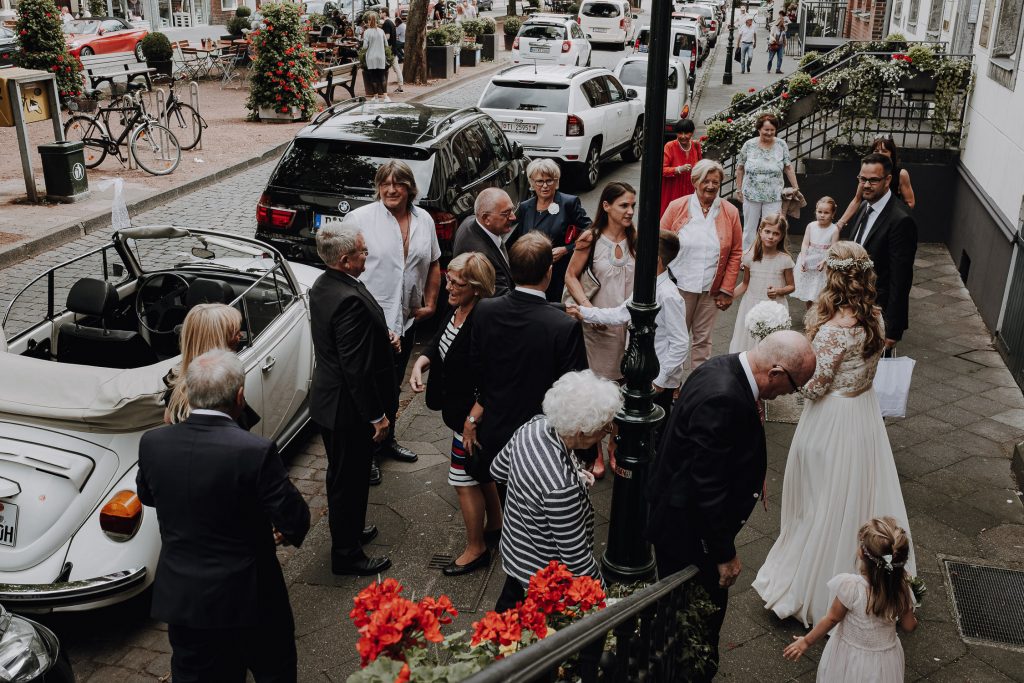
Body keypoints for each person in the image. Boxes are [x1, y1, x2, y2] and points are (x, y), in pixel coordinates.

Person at [752, 241, 917, 626]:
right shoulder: (875, 319)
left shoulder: (831, 331)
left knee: (819, 501)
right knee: (857, 494)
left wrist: (786, 374)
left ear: (834, 277)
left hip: (830, 422)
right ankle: (871, 582)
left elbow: (814, 387)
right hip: (863, 415)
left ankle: (812, 588)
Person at [646, 330, 817, 682]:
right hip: (688, 535)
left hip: (679, 517)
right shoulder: (724, 396)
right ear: (776, 373)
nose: (789, 394)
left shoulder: (719, 367)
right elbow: (705, 485)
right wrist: (724, 553)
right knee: (698, 615)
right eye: (795, 386)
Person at [137, 349, 310, 683]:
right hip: (251, 598)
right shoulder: (254, 452)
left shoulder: (154, 443)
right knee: (274, 670)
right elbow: (295, 520)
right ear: (240, 397)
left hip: (186, 601)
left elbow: (147, 494)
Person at [491, 370, 622, 611]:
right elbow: (577, 560)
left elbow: (498, 470)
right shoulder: (562, 488)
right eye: (605, 428)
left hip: (513, 554)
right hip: (542, 579)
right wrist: (605, 600)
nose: (607, 433)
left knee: (505, 617)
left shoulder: (532, 427)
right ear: (583, 432)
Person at [309, 223, 397, 576]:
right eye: (362, 252)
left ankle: (351, 529)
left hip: (332, 402)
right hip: (348, 410)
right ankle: (346, 554)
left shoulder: (324, 285)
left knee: (348, 476)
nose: (367, 255)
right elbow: (355, 369)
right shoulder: (348, 301)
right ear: (345, 260)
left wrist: (381, 337)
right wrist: (375, 416)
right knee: (348, 481)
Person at [409, 252, 503, 576]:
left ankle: (476, 548)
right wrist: (422, 362)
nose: (448, 286)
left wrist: (472, 420)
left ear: (477, 287)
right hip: (459, 413)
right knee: (480, 471)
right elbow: (438, 343)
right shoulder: (456, 307)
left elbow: (495, 380)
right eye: (448, 278)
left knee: (462, 481)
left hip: (473, 418)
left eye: (457, 283)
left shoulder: (485, 322)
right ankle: (496, 523)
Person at [466, 232, 589, 479]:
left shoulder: (485, 310)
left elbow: (475, 367)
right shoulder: (563, 327)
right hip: (542, 440)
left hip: (494, 429)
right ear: (549, 272)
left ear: (512, 271)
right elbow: (573, 389)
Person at [344, 160, 439, 472]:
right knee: (368, 386)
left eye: (398, 183)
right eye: (385, 183)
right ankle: (367, 452)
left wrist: (431, 303)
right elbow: (344, 269)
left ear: (410, 188)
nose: (391, 189)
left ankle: (388, 440)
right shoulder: (360, 219)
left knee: (392, 384)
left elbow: (434, 262)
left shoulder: (424, 219)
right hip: (372, 322)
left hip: (406, 319)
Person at [567, 230, 689, 422]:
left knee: (656, 430)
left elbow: (680, 343)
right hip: (642, 371)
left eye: (638, 256)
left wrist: (660, 380)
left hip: (658, 378)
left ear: (654, 260)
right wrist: (583, 312)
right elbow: (620, 313)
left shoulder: (669, 295)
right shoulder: (645, 286)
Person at [783, 517, 918, 682]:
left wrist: (806, 642)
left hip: (849, 657)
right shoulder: (902, 590)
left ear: (861, 553)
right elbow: (909, 626)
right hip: (884, 661)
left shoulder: (852, 587)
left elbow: (832, 618)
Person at [564, 181, 637, 478]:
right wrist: (587, 309)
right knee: (596, 391)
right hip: (597, 328)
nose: (630, 211)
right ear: (606, 206)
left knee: (623, 390)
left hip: (628, 328)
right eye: (624, 205)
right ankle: (592, 449)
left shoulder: (637, 239)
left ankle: (614, 446)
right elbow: (571, 275)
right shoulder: (591, 239)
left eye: (632, 205)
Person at [661, 159, 744, 368]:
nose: (710, 186)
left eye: (715, 182)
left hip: (710, 288)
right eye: (706, 181)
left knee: (703, 340)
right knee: (675, 339)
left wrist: (727, 289)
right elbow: (658, 245)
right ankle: (672, 385)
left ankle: (698, 386)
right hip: (678, 286)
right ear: (695, 181)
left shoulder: (729, 211)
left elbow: (735, 252)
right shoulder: (677, 207)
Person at [846, 153, 918, 353]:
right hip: (854, 307)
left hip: (876, 312)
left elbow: (901, 279)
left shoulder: (901, 220)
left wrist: (893, 328)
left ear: (888, 180)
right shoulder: (864, 206)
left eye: (873, 180)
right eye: (862, 179)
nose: (866, 185)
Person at [516, 158, 592, 302]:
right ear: (532, 183)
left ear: (556, 182)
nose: (545, 186)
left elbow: (590, 230)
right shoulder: (525, 207)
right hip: (533, 274)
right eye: (539, 181)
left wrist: (567, 249)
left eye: (549, 180)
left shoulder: (568, 203)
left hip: (559, 273)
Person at [162, 303, 245, 426]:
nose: (241, 336)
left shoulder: (176, 375)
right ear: (218, 341)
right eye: (235, 333)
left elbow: (167, 419)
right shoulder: (227, 382)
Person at [729, 213, 795, 353]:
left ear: (782, 236)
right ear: (760, 231)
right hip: (751, 305)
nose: (771, 236)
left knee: (771, 343)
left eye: (776, 233)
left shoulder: (785, 260)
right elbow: (745, 283)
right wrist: (728, 296)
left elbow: (791, 286)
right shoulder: (749, 257)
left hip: (774, 308)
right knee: (748, 341)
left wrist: (779, 291)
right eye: (767, 232)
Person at [736, 113, 800, 250]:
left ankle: (767, 254)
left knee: (771, 227)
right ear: (759, 129)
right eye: (766, 130)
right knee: (749, 227)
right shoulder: (749, 145)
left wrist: (796, 187)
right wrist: (738, 189)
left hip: (773, 195)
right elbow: (740, 168)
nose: (769, 133)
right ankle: (747, 255)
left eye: (772, 130)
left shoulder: (781, 145)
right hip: (751, 193)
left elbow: (788, 167)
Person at [837, 136, 917, 230]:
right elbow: (857, 199)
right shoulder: (866, 172)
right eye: (876, 151)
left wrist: (895, 218)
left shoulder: (901, 174)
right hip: (868, 218)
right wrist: (840, 224)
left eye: (884, 151)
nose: (880, 154)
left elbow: (910, 202)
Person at [452, 188, 519, 296]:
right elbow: (503, 300)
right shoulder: (484, 258)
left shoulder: (470, 221)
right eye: (506, 213)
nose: (513, 217)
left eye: (512, 210)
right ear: (486, 218)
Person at [793, 197, 840, 308]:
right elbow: (805, 244)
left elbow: (833, 248)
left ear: (833, 214)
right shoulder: (811, 226)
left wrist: (824, 261)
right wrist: (803, 259)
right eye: (819, 212)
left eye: (826, 212)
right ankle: (809, 314)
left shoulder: (834, 229)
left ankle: (819, 315)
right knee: (808, 291)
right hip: (809, 260)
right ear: (816, 211)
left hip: (823, 263)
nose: (822, 215)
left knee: (819, 292)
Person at [661, 119, 703, 218]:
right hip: (673, 189)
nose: (683, 136)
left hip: (690, 189)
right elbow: (662, 170)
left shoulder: (696, 145)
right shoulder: (670, 146)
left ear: (692, 133)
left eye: (687, 133)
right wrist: (679, 169)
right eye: (680, 133)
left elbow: (700, 165)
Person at [361, 12, 389, 101]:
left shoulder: (366, 32)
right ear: (376, 21)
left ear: (368, 21)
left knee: (373, 78)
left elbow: (365, 46)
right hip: (381, 56)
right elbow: (386, 44)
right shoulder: (381, 31)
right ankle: (385, 97)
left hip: (371, 58)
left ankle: (376, 97)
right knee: (382, 77)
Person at [380, 8, 404, 93]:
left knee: (383, 68)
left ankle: (381, 88)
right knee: (396, 68)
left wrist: (380, 41)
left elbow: (387, 37)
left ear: (384, 13)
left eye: (380, 12)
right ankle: (400, 86)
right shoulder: (391, 23)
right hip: (393, 49)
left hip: (389, 50)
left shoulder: (386, 23)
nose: (380, 14)